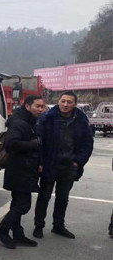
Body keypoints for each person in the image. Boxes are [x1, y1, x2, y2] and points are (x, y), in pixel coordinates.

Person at [33, 91, 94, 239]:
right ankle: (39, 226)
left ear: (75, 104)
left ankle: (58, 226)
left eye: (69, 102)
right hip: (50, 164)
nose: (65, 105)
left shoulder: (81, 120)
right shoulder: (47, 118)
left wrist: (77, 161)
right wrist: (40, 162)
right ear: (58, 102)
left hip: (69, 166)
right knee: (44, 196)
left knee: (63, 198)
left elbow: (87, 143)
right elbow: (39, 143)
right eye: (63, 101)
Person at [0, 95, 47, 248]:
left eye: (42, 106)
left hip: (25, 169)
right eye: (37, 106)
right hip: (20, 170)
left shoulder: (29, 121)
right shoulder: (19, 123)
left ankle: (18, 234)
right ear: (27, 106)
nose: (40, 109)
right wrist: (34, 144)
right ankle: (2, 231)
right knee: (23, 205)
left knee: (17, 203)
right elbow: (11, 145)